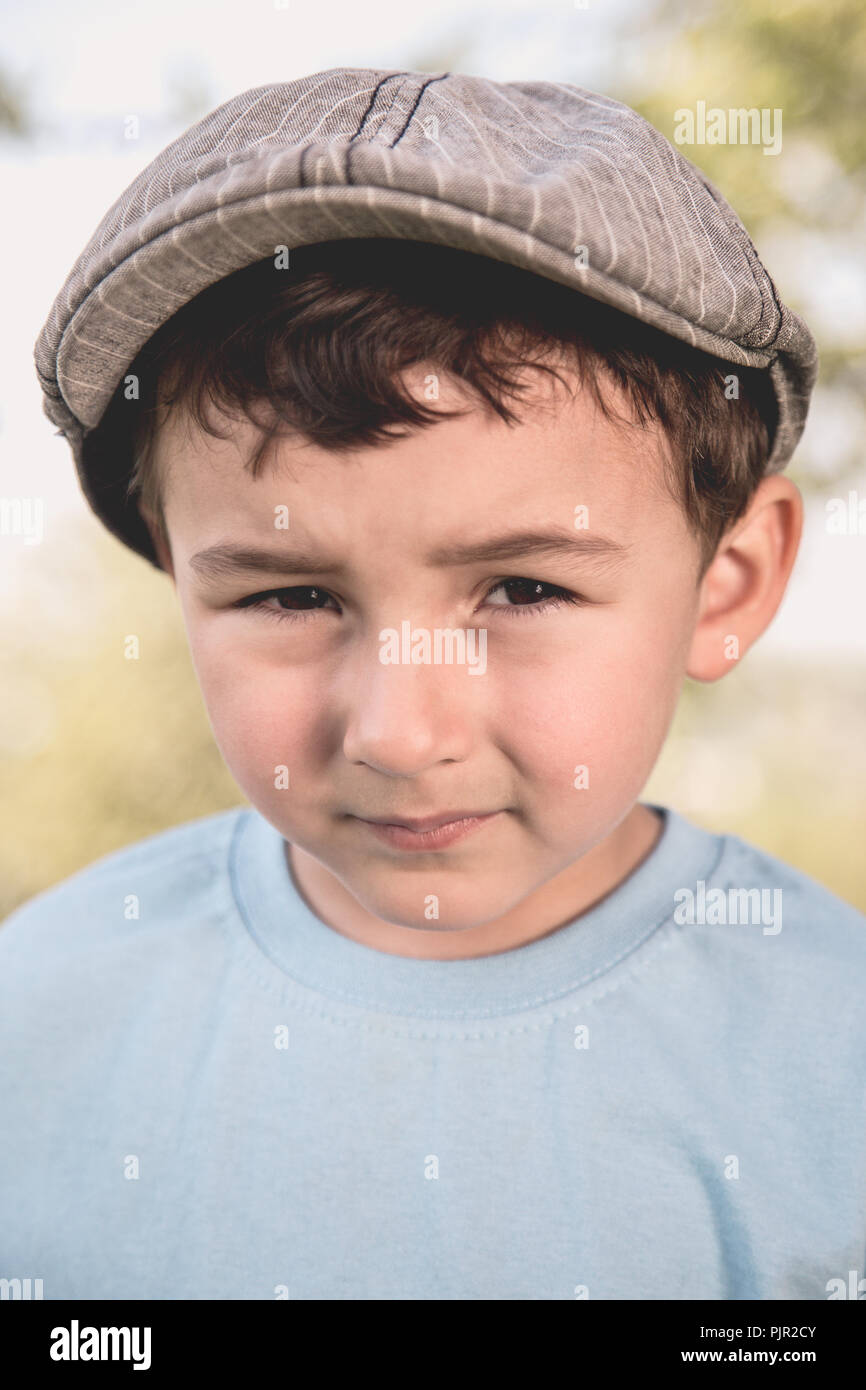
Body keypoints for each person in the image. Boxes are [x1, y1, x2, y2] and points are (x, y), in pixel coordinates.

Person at [3, 68, 863, 1301]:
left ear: (723, 583)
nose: (400, 734)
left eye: (521, 590)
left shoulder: (834, 1063)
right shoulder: (38, 1010)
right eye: (289, 596)